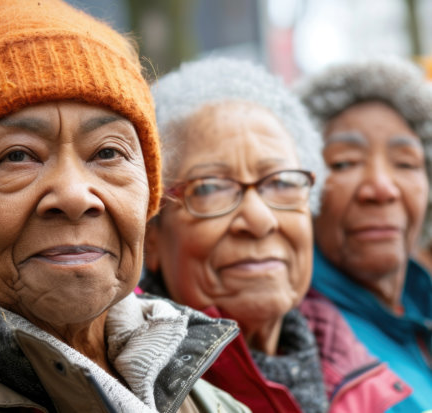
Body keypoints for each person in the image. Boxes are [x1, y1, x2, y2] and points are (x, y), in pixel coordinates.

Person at [0, 1, 253, 412]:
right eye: (16, 157)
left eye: (107, 153)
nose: (75, 196)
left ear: (149, 195)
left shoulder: (210, 403)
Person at [141, 57, 411, 413]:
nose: (258, 219)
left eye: (281, 182)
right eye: (210, 188)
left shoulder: (366, 379)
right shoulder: (126, 390)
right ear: (151, 237)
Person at [296, 57, 432, 411]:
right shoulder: (295, 349)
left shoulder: (420, 313)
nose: (382, 188)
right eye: (344, 162)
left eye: (406, 163)